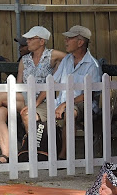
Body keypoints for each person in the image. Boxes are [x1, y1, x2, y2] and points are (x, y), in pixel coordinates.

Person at [0, 26, 65, 163]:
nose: (27, 42)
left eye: (31, 39)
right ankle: (6, 154)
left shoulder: (52, 55)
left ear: (42, 41)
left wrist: (59, 66)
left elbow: (70, 57)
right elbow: (18, 85)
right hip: (24, 98)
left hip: (43, 100)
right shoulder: (25, 60)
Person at [34, 25, 101, 158]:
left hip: (82, 104)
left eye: (69, 38)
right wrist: (35, 104)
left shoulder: (93, 65)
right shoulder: (66, 60)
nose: (65, 41)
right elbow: (52, 83)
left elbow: (90, 94)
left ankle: (64, 155)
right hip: (60, 103)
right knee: (30, 115)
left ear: (80, 42)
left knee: (69, 113)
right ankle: (38, 152)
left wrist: (65, 104)